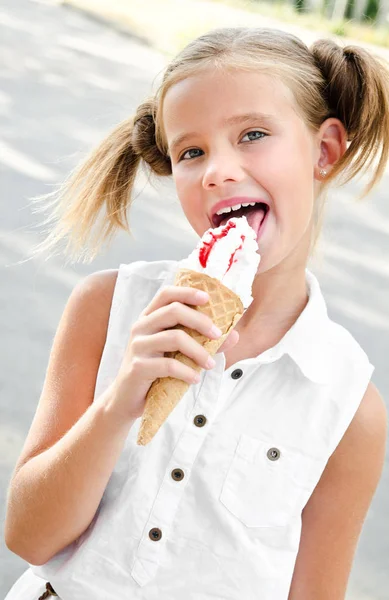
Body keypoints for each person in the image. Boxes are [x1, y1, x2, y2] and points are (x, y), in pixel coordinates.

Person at [4, 26, 388, 600]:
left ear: (324, 150)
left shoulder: (348, 404)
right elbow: (29, 539)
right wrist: (120, 400)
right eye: (192, 152)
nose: (217, 170)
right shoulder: (107, 307)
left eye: (253, 134)